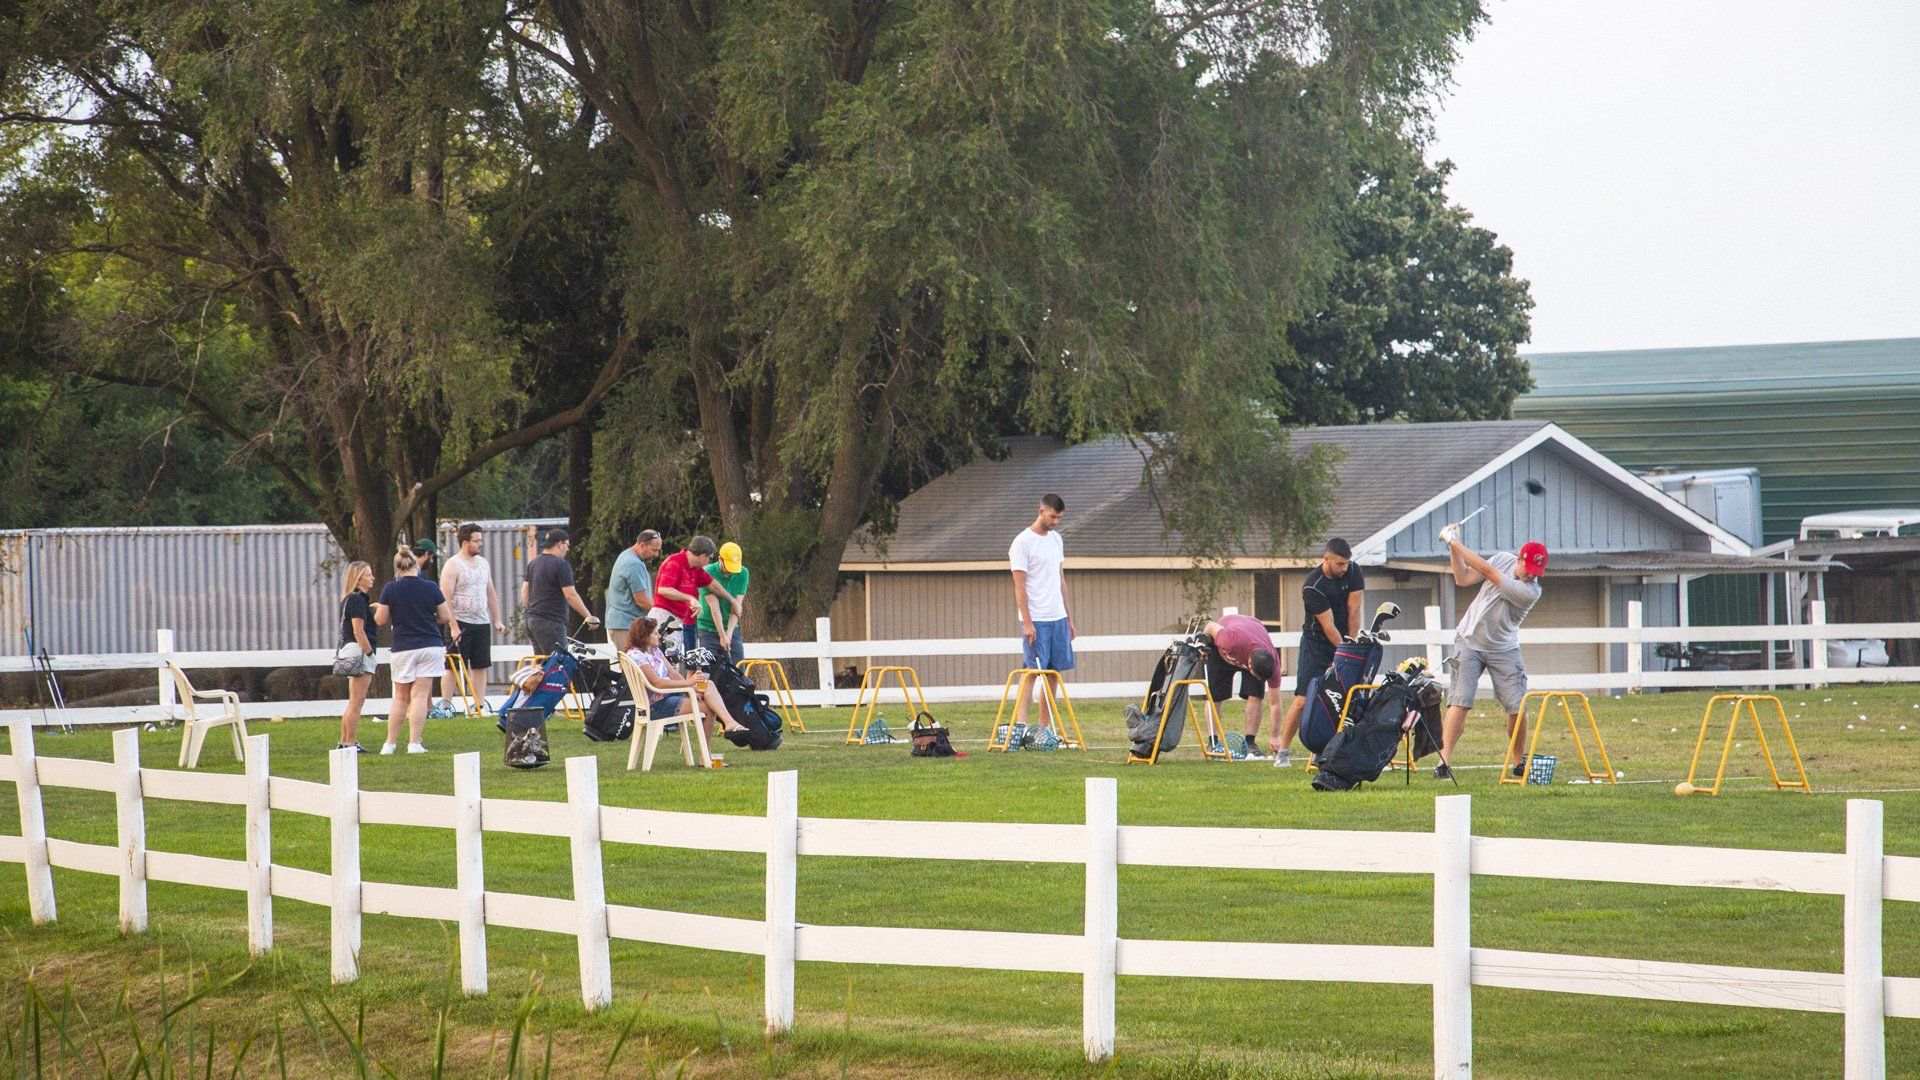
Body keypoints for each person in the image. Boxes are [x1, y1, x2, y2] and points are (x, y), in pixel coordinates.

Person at [1435, 526, 1548, 781]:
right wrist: (1453, 546)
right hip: (1469, 640)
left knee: (1517, 706)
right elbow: (1462, 578)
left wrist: (1454, 541)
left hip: (1504, 648)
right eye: (1528, 569)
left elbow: (1487, 572)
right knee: (1459, 701)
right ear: (1519, 559)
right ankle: (1444, 763)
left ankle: (1519, 762)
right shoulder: (1503, 559)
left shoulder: (1530, 591)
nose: (1531, 575)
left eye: (1536, 573)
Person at [1270, 538, 1365, 767]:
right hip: (1316, 644)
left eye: (1346, 563)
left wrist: (1352, 646)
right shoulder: (1313, 586)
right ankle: (1282, 753)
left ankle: (1333, 752)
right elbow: (1328, 626)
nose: (1344, 568)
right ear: (1327, 560)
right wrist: (1343, 651)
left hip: (1344, 642)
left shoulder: (1353, 571)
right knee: (1304, 699)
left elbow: (1353, 611)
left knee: (1344, 698)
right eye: (1340, 564)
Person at [374, 545, 460, 754]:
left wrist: (379, 608)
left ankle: (390, 743)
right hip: (429, 644)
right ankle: (414, 743)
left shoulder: (390, 589)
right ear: (415, 566)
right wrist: (430, 619)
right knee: (420, 696)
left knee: (401, 696)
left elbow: (381, 620)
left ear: (398, 568)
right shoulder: (430, 587)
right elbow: (446, 616)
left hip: (403, 646)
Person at [624, 617, 751, 744]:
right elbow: (657, 683)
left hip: (667, 697)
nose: (659, 636)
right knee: (708, 708)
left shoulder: (655, 651)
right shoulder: (636, 655)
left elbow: (672, 673)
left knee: (708, 684)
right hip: (654, 706)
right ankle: (710, 749)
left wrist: (689, 690)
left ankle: (729, 723)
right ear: (645, 636)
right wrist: (688, 684)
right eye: (655, 633)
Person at [1009, 494, 1073, 740]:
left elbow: (1061, 580)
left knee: (1053, 674)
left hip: (1057, 617)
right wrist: (1027, 622)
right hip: (1036, 618)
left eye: (1059, 517)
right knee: (1032, 672)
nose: (1055, 521)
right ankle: (1021, 728)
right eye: (1052, 516)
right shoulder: (1022, 543)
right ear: (1041, 511)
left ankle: (1043, 731)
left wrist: (1068, 617)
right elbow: (1019, 587)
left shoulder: (1056, 540)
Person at [441, 523, 505, 713]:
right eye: (477, 541)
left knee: (481, 665)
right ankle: (446, 705)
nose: (480, 544)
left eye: (481, 540)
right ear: (465, 542)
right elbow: (445, 597)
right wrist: (453, 626)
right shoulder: (453, 564)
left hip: (481, 622)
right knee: (452, 665)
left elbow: (490, 591)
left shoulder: (484, 563)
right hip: (460, 622)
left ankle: (479, 704)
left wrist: (497, 619)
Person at [1201, 612, 1283, 757]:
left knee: (1256, 694)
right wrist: (1201, 645)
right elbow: (1210, 626)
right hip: (1225, 649)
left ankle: (1250, 742)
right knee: (1214, 696)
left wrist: (1275, 735)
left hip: (1253, 630)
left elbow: (1275, 703)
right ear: (1249, 663)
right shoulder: (1229, 640)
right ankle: (1212, 742)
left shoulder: (1272, 664)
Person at [520, 527, 598, 656]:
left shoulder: (534, 563)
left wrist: (535, 609)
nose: (568, 549)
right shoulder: (561, 565)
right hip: (550, 623)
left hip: (531, 620)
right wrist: (588, 616)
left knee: (542, 667)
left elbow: (524, 591)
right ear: (559, 544)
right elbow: (571, 595)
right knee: (558, 665)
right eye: (567, 545)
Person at [654, 535, 738, 655]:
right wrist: (690, 598)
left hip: (677, 620)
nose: (709, 561)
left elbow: (712, 585)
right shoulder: (675, 562)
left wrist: (732, 600)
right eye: (709, 557)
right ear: (702, 556)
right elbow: (664, 589)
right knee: (661, 660)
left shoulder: (695, 569)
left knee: (672, 661)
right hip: (664, 617)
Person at [335, 561, 378, 753]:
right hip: (359, 652)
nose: (373, 578)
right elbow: (358, 631)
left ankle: (344, 741)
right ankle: (351, 743)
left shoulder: (349, 599)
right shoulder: (358, 601)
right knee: (357, 702)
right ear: (359, 578)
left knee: (353, 701)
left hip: (347, 650)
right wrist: (369, 653)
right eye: (369, 575)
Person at [605, 528, 663, 639]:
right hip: (626, 625)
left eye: (658, 551)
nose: (656, 555)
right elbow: (641, 600)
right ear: (642, 545)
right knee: (632, 656)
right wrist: (661, 614)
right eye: (654, 550)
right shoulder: (634, 564)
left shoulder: (626, 555)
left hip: (620, 623)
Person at [697, 541, 749, 663]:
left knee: (737, 666)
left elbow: (736, 607)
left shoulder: (743, 573)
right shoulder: (707, 572)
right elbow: (714, 607)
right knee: (712, 669)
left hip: (730, 625)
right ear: (720, 559)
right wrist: (722, 635)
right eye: (728, 567)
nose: (730, 572)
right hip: (708, 628)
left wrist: (729, 634)